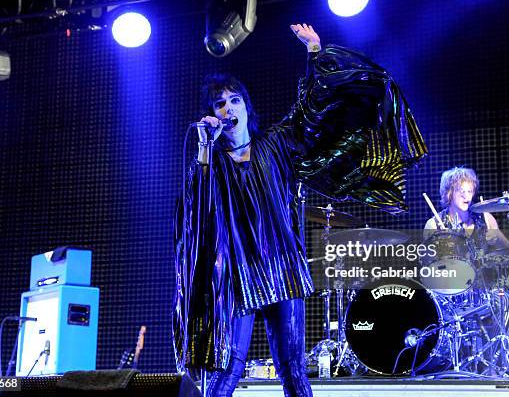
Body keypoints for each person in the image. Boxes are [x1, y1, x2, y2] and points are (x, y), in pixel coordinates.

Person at [173, 23, 428, 397]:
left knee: (293, 369)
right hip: (239, 274)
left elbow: (310, 112)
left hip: (282, 268)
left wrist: (314, 54)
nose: (228, 108)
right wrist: (203, 145)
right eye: (219, 103)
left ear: (246, 106)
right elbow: (194, 210)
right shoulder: (212, 162)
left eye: (234, 100)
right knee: (228, 369)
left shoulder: (275, 144)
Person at [424, 166, 509, 249]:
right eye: (462, 191)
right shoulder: (434, 225)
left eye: (469, 191)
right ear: (449, 194)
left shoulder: (485, 218)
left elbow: (508, 251)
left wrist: (496, 239)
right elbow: (427, 260)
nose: (466, 196)